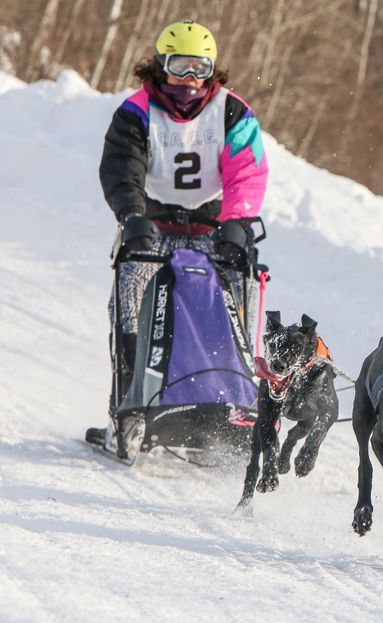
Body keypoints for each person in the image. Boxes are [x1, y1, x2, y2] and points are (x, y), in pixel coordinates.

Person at [90, 19, 269, 448]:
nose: (189, 80)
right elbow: (121, 169)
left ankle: (234, 404)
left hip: (213, 228)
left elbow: (247, 170)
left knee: (239, 298)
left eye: (199, 68)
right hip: (152, 228)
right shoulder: (136, 112)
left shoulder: (231, 111)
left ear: (212, 70)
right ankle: (131, 408)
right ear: (159, 65)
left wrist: (238, 222)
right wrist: (131, 215)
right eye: (178, 67)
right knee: (130, 300)